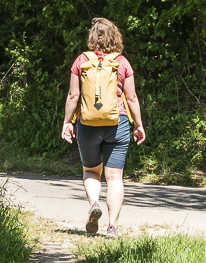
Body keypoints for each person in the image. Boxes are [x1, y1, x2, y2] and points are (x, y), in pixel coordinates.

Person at [59, 17, 146, 237]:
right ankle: (113, 226)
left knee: (91, 170)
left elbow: (73, 95)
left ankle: (94, 204)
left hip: (87, 125)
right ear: (115, 37)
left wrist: (67, 122)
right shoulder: (122, 62)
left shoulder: (81, 61)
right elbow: (132, 97)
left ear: (92, 37)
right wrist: (138, 124)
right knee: (114, 176)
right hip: (117, 124)